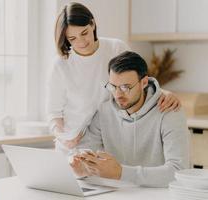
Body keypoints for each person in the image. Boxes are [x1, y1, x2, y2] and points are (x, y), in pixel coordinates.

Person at [46, 2, 181, 152]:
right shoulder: (60, 65)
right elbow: (54, 113)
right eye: (72, 38)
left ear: (93, 24)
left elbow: (139, 82)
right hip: (73, 146)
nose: (81, 42)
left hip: (111, 141)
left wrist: (165, 94)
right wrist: (63, 137)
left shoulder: (115, 48)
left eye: (84, 33)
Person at [71, 51, 189, 187]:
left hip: (158, 195)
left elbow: (178, 172)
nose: (118, 94)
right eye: (113, 87)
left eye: (125, 87)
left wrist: (121, 173)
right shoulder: (104, 111)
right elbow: (86, 150)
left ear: (144, 82)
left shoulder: (169, 111)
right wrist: (83, 167)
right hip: (119, 193)